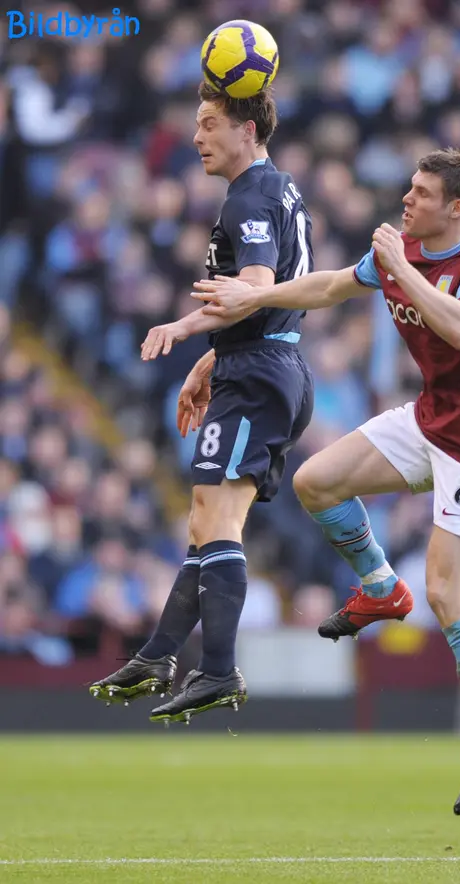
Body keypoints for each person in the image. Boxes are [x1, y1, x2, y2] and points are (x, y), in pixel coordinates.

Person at [192, 148, 460, 815]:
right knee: (316, 482)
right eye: (408, 187)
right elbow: (329, 287)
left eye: (421, 192)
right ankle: (381, 589)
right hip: (434, 419)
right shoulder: (399, 249)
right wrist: (255, 295)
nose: (406, 199)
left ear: (456, 208)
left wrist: (403, 266)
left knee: (450, 592)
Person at [89, 81, 314, 726]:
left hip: (259, 375)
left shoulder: (250, 195)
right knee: (205, 524)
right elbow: (271, 302)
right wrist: (212, 358)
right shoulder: (281, 190)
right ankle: (160, 654)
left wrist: (182, 330)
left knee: (215, 522)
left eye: (210, 123)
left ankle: (217, 670)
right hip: (265, 364)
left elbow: (256, 286)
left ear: (247, 129)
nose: (197, 137)